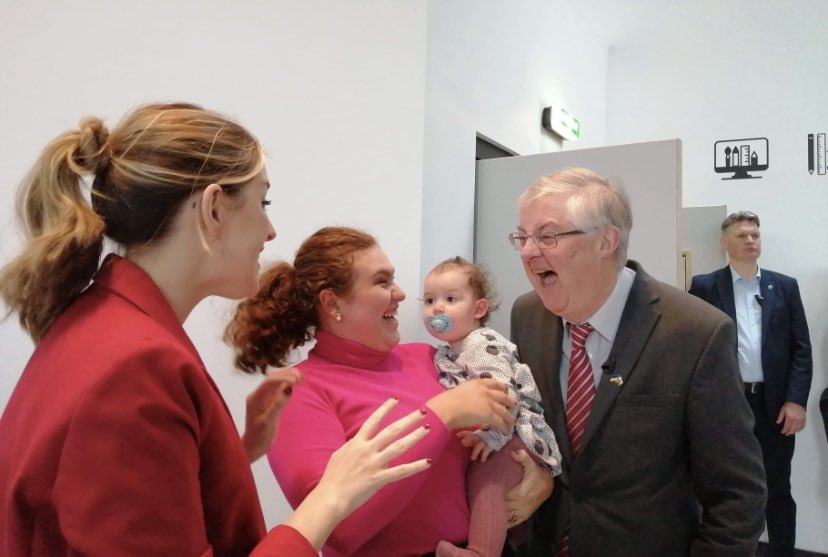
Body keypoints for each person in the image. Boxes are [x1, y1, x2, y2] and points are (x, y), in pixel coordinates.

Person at [0, 102, 437, 557]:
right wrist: (331, 497)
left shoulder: (105, 322)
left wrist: (229, 454)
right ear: (213, 209)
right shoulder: (135, 367)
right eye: (262, 202)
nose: (271, 231)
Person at [225, 226, 554, 557]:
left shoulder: (432, 358)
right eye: (382, 282)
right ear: (332, 302)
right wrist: (443, 413)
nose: (399, 293)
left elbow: (496, 441)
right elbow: (336, 531)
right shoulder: (299, 393)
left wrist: (538, 478)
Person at [508, 167, 767, 557]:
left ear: (606, 241)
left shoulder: (695, 332)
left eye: (547, 236)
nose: (528, 251)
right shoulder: (526, 315)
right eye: (522, 237)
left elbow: (737, 494)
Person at [689, 210, 812, 557]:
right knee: (723, 486)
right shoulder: (705, 286)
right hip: (727, 405)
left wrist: (797, 401)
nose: (750, 240)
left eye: (755, 235)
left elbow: (801, 348)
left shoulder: (784, 286)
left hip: (774, 406)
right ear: (725, 242)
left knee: (777, 487)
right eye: (742, 235)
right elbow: (693, 346)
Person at [420, 256, 561, 557]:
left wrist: (491, 436)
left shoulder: (481, 344)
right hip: (497, 435)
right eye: (430, 300)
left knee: (488, 483)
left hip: (512, 435)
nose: (437, 308)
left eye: (450, 299)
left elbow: (503, 397)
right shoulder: (448, 352)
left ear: (479, 309)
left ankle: (482, 551)